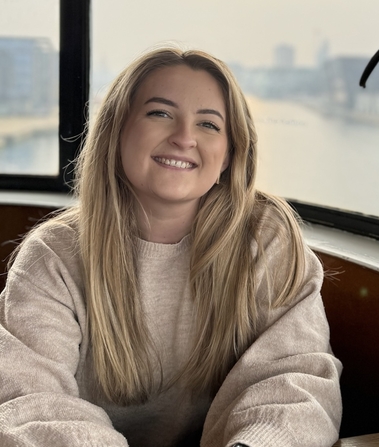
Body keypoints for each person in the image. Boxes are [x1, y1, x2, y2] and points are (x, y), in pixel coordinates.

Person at [0, 47, 342, 447]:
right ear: (116, 131)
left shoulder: (268, 240)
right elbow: (30, 399)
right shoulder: (53, 256)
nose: (184, 138)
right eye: (159, 113)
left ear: (230, 155)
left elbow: (296, 380)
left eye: (209, 125)